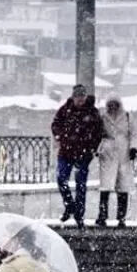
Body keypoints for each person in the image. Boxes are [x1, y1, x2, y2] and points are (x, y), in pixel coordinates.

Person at [51, 85, 104, 229]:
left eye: (82, 97)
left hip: (84, 153)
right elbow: (55, 124)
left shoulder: (92, 112)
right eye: (78, 97)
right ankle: (70, 206)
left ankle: (79, 215)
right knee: (61, 178)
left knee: (81, 185)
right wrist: (61, 136)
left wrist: (92, 148)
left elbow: (99, 131)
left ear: (85, 97)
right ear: (73, 97)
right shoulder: (65, 109)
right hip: (66, 152)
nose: (80, 100)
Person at [96, 96, 137, 228]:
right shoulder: (103, 117)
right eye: (110, 105)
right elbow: (97, 133)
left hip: (123, 153)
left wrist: (133, 148)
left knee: (123, 186)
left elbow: (134, 133)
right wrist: (98, 148)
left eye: (115, 105)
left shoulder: (127, 116)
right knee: (105, 186)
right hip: (108, 153)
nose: (113, 108)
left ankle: (121, 217)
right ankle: (102, 216)